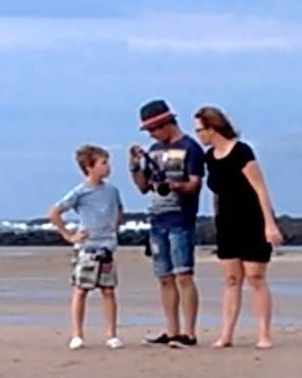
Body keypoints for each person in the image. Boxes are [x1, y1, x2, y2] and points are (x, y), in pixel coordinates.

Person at [195, 105, 284, 349]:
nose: (198, 136)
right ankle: (226, 334)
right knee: (232, 278)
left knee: (255, 276)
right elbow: (216, 192)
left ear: (213, 128)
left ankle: (264, 334)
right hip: (226, 222)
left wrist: (269, 224)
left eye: (200, 130)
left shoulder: (242, 151)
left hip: (252, 220)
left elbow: (260, 188)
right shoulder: (209, 158)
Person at [129, 99, 206, 347]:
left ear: (166, 124)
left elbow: (195, 184)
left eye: (153, 129)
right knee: (164, 277)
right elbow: (143, 187)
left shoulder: (190, 148)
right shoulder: (154, 151)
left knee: (184, 274)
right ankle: (172, 331)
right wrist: (135, 167)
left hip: (180, 218)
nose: (152, 135)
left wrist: (174, 185)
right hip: (157, 218)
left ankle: (189, 332)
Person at [48, 144, 126, 351]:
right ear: (90, 167)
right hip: (88, 248)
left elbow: (119, 211)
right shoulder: (80, 192)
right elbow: (55, 213)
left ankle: (111, 334)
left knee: (108, 290)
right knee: (81, 290)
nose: (108, 167)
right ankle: (77, 334)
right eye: (103, 163)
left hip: (106, 247)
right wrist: (69, 235)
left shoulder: (112, 190)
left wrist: (114, 228)